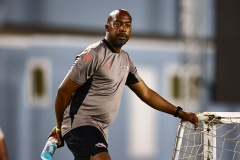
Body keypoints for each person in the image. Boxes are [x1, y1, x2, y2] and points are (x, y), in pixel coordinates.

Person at [47, 9, 199, 160]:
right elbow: (63, 92)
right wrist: (59, 128)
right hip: (80, 125)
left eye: (127, 25)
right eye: (118, 23)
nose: (123, 28)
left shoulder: (125, 60)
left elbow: (146, 93)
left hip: (99, 130)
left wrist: (180, 113)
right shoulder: (93, 54)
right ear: (107, 28)